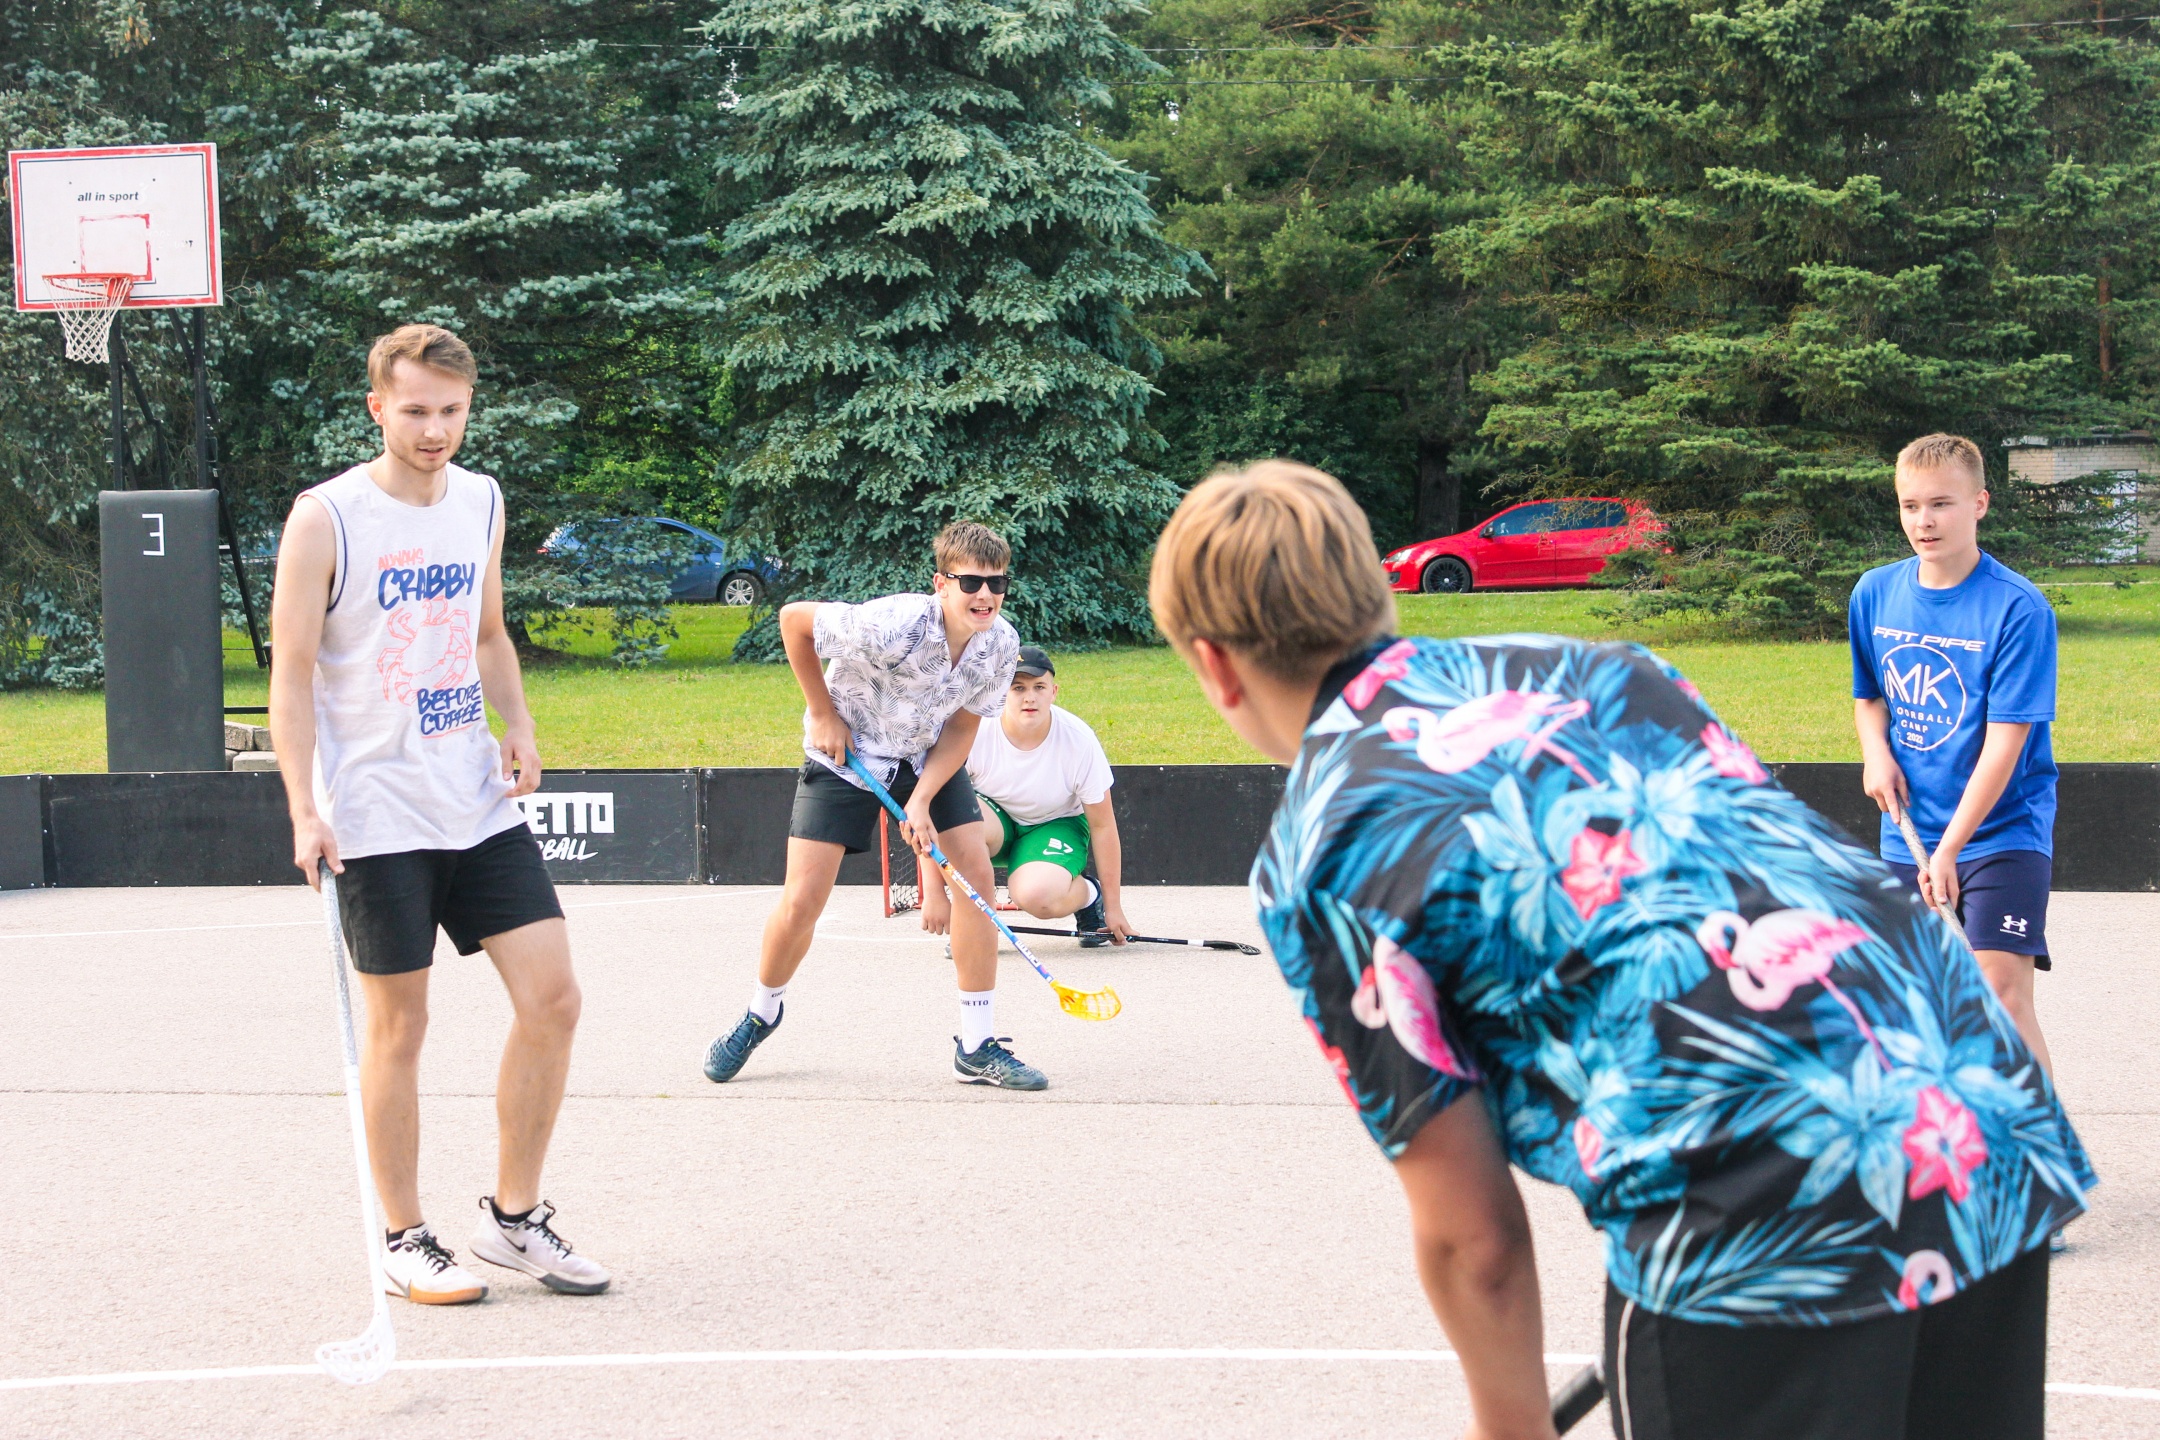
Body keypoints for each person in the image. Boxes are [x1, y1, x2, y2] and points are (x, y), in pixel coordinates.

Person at [1149, 460, 2090, 1440]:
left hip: (1756, 1207)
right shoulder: (1598, 668)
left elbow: (1473, 1238)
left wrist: (1508, 1426)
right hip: (1977, 1113)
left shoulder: (1323, 851)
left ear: (1214, 664)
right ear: (1373, 595)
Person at [270, 323, 610, 1306]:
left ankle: (513, 1220)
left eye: (450, 411)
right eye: (415, 410)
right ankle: (404, 1237)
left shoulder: (482, 500)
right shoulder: (326, 519)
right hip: (374, 813)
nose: (434, 430)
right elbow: (291, 673)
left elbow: (489, 632)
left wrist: (520, 723)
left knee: (554, 999)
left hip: (474, 800)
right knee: (400, 1028)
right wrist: (302, 805)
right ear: (377, 407)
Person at [702, 523, 1046, 1090]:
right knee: (803, 901)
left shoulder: (1001, 645)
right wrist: (822, 713)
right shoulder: (894, 623)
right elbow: (794, 620)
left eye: (997, 583)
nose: (985, 595)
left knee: (976, 880)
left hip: (924, 756)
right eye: (971, 582)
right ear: (942, 583)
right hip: (848, 755)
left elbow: (962, 728)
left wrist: (923, 797)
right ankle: (762, 1012)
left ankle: (976, 1045)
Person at [1851, 433, 2060, 1076]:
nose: (1925, 521)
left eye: (1941, 504)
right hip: (1909, 831)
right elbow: (1870, 696)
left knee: (2001, 996)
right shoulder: (1874, 593)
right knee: (1920, 1007)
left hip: (2001, 830)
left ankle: (2036, 1139)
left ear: (1980, 504)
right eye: (1910, 505)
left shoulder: (2019, 608)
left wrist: (1950, 851)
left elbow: (2005, 745)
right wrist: (1875, 754)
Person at [920, 645, 1133, 948]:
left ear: (1053, 692)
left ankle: (1089, 895)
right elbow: (930, 810)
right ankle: (972, 925)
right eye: (1018, 688)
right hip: (995, 821)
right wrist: (933, 893)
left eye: (1039, 687)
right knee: (953, 818)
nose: (1029, 697)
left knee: (1037, 897)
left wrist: (1113, 908)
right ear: (1000, 692)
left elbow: (1103, 826)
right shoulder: (973, 730)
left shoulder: (1079, 741)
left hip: (1055, 823)